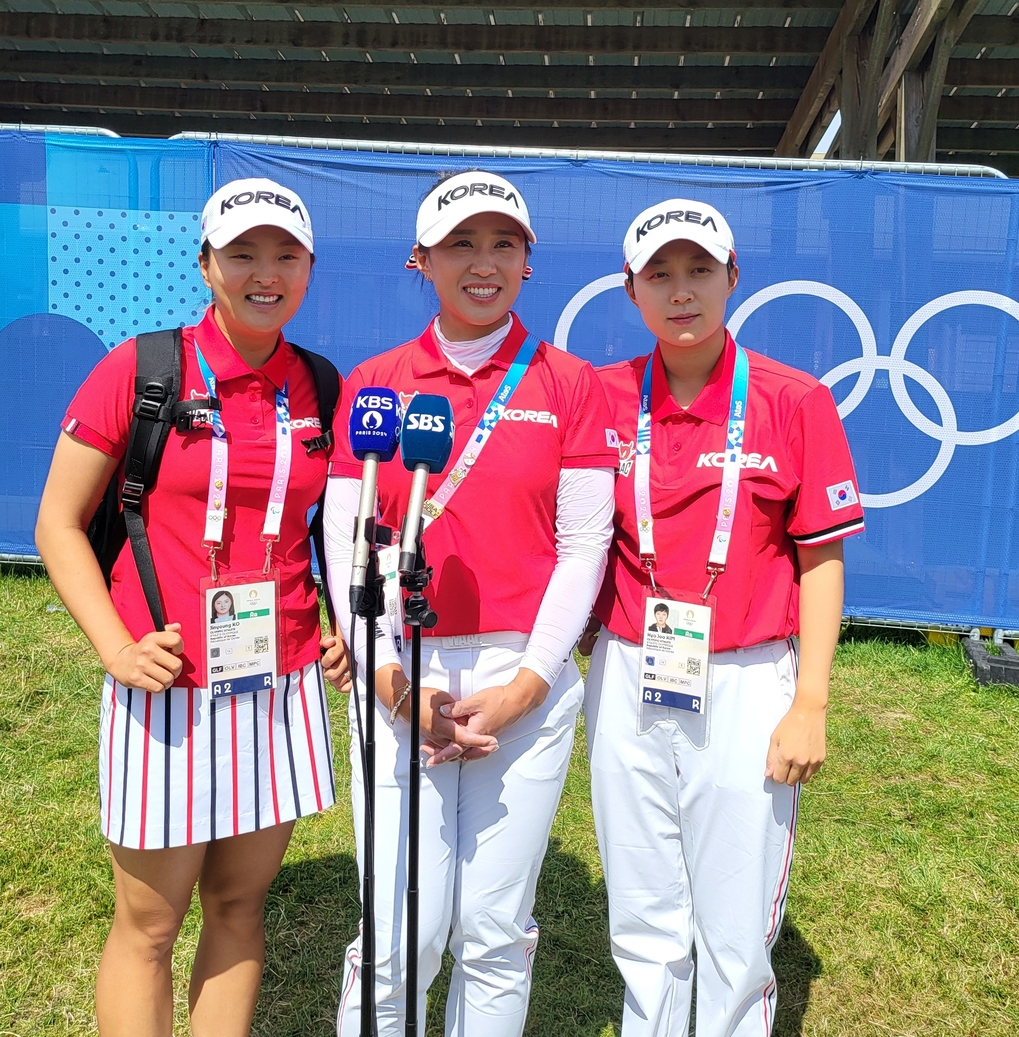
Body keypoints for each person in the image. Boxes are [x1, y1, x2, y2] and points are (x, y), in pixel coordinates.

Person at [35, 176, 351, 1037]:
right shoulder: (141, 368)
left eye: (285, 253)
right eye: (242, 252)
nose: (265, 271)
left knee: (241, 905)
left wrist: (337, 630)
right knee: (149, 924)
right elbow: (57, 524)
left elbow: (327, 528)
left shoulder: (323, 386)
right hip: (163, 680)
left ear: (309, 267)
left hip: (279, 685)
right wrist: (114, 644)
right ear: (206, 263)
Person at [323, 169, 616, 1037]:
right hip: (397, 672)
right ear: (421, 259)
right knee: (399, 935)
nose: (482, 262)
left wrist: (528, 683)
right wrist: (393, 685)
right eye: (460, 243)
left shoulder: (571, 383)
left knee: (492, 930)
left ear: (529, 262)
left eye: (503, 243)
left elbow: (584, 547)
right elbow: (352, 546)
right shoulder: (375, 383)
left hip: (523, 676)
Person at [580, 198, 865, 1037]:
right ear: (631, 291)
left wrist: (809, 702)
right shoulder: (601, 395)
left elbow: (821, 558)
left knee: (735, 920)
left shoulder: (795, 400)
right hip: (631, 668)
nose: (681, 292)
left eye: (699, 269)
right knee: (642, 902)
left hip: (747, 675)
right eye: (659, 275)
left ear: (733, 277)